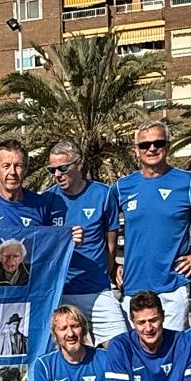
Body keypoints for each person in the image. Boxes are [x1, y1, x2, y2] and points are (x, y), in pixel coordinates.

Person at [115, 121, 191, 331]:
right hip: (133, 287)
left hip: (172, 286)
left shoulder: (186, 182)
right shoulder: (122, 187)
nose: (152, 148)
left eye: (158, 143)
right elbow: (103, 226)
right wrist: (111, 266)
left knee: (172, 349)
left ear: (168, 146)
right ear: (136, 151)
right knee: (135, 351)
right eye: (145, 145)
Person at [43, 141, 125, 344]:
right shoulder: (47, 200)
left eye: (63, 168)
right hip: (62, 293)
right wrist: (64, 241)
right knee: (65, 353)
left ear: (79, 164)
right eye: (52, 170)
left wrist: (107, 271)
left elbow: (110, 245)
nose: (57, 175)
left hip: (97, 289)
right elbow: (41, 246)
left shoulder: (103, 194)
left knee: (121, 348)